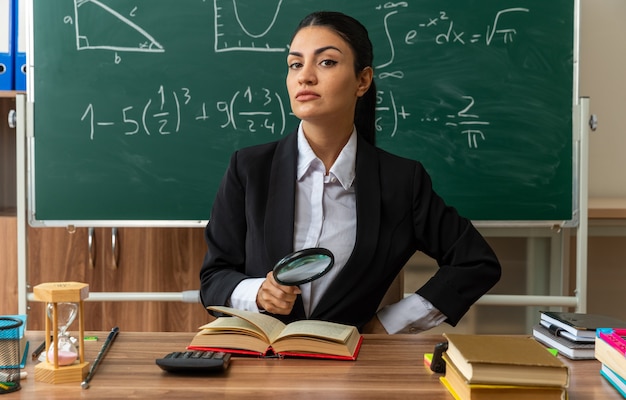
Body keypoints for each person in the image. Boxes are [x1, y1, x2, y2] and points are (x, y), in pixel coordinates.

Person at [199, 11, 501, 334]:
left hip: (352, 373)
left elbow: (476, 263)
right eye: (295, 64)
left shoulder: (401, 182)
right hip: (261, 369)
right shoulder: (248, 169)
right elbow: (214, 278)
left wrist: (388, 324)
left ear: (363, 80)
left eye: (326, 62)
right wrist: (257, 292)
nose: (305, 77)